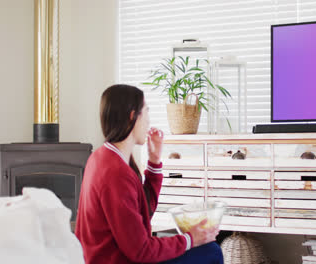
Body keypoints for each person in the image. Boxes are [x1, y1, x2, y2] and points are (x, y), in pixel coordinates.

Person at [75, 84, 223, 264]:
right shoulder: (115, 173)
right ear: (132, 116)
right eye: (146, 112)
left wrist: (154, 161)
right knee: (211, 252)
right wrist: (191, 239)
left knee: (206, 249)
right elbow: (141, 251)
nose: (148, 121)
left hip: (114, 256)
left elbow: (143, 213)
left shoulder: (102, 157)